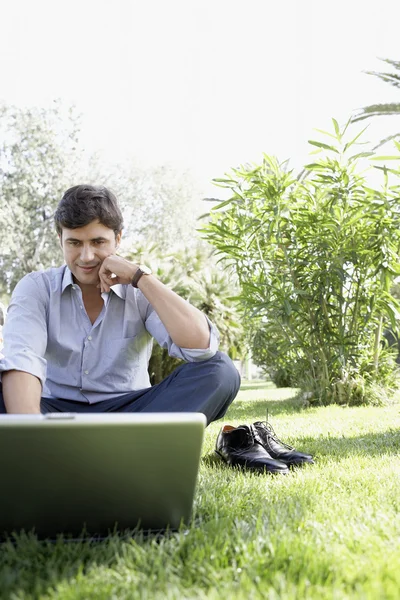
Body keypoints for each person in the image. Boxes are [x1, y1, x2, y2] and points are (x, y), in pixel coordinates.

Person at [0, 185, 240, 422]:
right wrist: (32, 440)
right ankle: (58, 445)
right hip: (53, 411)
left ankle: (132, 442)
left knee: (221, 370)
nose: (86, 256)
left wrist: (140, 277)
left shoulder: (140, 288)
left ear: (117, 239)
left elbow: (202, 348)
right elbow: (22, 360)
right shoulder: (36, 288)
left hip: (131, 412)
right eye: (74, 243)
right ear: (60, 239)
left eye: (98, 242)